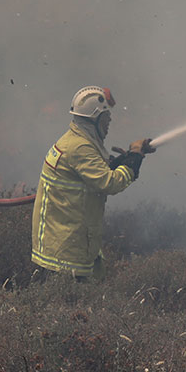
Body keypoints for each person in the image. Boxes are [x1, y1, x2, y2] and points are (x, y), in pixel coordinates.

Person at [31, 86, 155, 279]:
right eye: (106, 117)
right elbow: (110, 183)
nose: (110, 121)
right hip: (66, 254)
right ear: (94, 119)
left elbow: (92, 174)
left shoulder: (76, 140)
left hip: (65, 245)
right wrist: (134, 159)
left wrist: (124, 160)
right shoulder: (79, 148)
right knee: (72, 305)